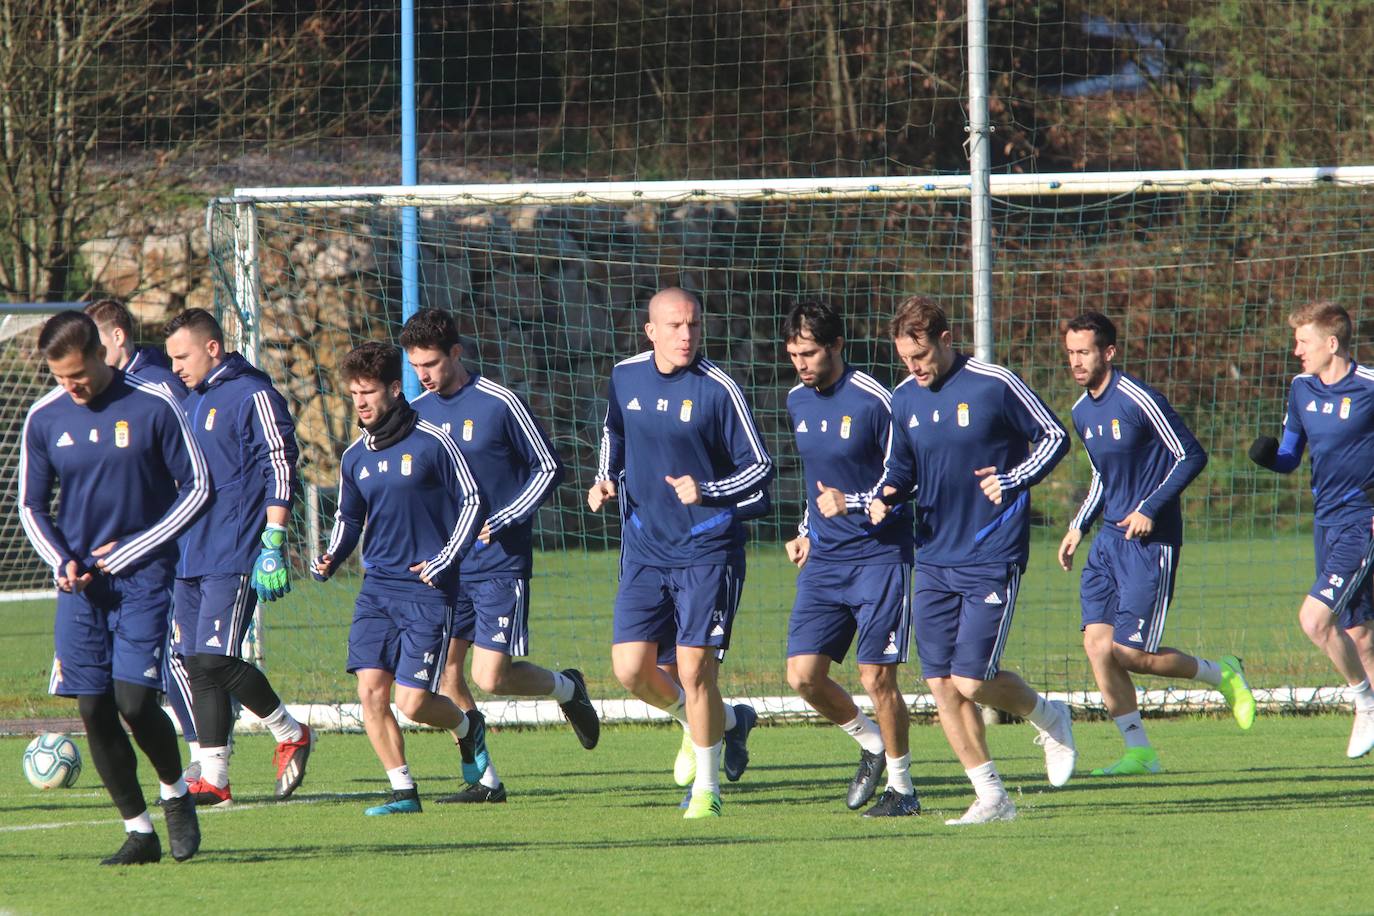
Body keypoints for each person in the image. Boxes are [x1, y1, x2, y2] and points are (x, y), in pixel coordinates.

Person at [866, 295, 1074, 826]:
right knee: (940, 683)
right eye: (904, 360)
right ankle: (992, 796)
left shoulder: (993, 383)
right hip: (933, 554)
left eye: (920, 356)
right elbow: (901, 469)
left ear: (945, 339)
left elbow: (1053, 437)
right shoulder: (904, 399)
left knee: (972, 680)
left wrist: (1012, 479)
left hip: (990, 550)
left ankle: (1050, 716)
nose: (913, 369)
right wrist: (885, 494)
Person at [19, 310, 207, 864]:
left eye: (77, 374)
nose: (71, 387)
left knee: (133, 700)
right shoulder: (44, 418)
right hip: (79, 588)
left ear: (101, 355)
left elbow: (197, 490)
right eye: (60, 378)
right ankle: (139, 831)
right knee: (93, 707)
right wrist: (61, 560)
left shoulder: (154, 405)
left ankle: (176, 793)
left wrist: (131, 549)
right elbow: (31, 506)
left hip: (145, 578)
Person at [588, 287, 773, 819]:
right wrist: (605, 479)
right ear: (651, 331)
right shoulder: (625, 376)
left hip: (707, 547)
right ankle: (719, 724)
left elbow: (760, 467)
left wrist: (708, 490)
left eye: (693, 324)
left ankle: (708, 791)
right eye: (673, 326)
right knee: (630, 670)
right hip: (645, 544)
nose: (685, 336)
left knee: (695, 671)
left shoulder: (719, 389)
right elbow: (613, 432)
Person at [401, 308, 598, 804]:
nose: (423, 374)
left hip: (498, 562)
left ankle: (567, 689)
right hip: (449, 564)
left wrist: (505, 518)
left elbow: (549, 467)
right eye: (415, 365)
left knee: (491, 677)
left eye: (431, 363)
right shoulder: (416, 412)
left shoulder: (499, 403)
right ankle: (484, 780)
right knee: (447, 672)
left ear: (456, 354)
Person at [1059, 312, 1255, 775]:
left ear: (1108, 352)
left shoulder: (1139, 398)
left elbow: (1191, 455)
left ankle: (1222, 672)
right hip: (1108, 543)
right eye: (1070, 353)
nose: (1076, 362)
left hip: (1151, 543)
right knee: (1097, 646)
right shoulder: (1081, 411)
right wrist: (1078, 525)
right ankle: (1139, 751)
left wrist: (1149, 508)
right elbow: (1102, 478)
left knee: (1130, 652)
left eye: (1084, 352)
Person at [312, 341, 489, 815]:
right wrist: (332, 556)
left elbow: (474, 502)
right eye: (353, 394)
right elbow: (350, 519)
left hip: (428, 590)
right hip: (378, 590)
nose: (361, 403)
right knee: (370, 691)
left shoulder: (433, 442)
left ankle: (468, 728)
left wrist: (444, 560)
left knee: (412, 703)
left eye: (368, 392)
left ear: (394, 388)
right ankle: (403, 791)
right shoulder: (354, 457)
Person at [163, 308, 313, 805]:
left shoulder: (254, 393)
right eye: (171, 359)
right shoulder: (188, 402)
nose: (177, 367)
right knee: (194, 662)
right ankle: (215, 778)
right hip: (189, 553)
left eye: (182, 356)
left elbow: (280, 463)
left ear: (212, 347)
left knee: (214, 657)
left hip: (235, 549)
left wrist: (274, 538)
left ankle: (289, 731)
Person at [784, 300, 919, 816]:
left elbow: (908, 480)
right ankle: (870, 742)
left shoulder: (876, 402)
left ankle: (904, 790)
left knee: (875, 677)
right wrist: (804, 530)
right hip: (825, 560)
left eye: (811, 352)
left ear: (837, 346)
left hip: (879, 557)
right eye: (794, 353)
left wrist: (857, 502)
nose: (801, 362)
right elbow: (818, 481)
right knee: (802, 676)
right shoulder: (796, 400)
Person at [84, 298, 208, 780]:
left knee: (179, 652)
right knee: (179, 654)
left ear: (117, 337)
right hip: (141, 542)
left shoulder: (156, 386)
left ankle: (206, 756)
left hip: (172, 538)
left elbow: (189, 465)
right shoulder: (113, 393)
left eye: (95, 344)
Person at [1249, 300, 1374, 758]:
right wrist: (1269, 459)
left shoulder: (1369, 387)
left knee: (1314, 619)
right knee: (1358, 632)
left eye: (1303, 341)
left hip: (1364, 523)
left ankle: (1364, 701)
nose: (1296, 350)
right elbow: (1289, 456)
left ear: (1332, 342)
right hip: (1325, 525)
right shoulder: (1301, 388)